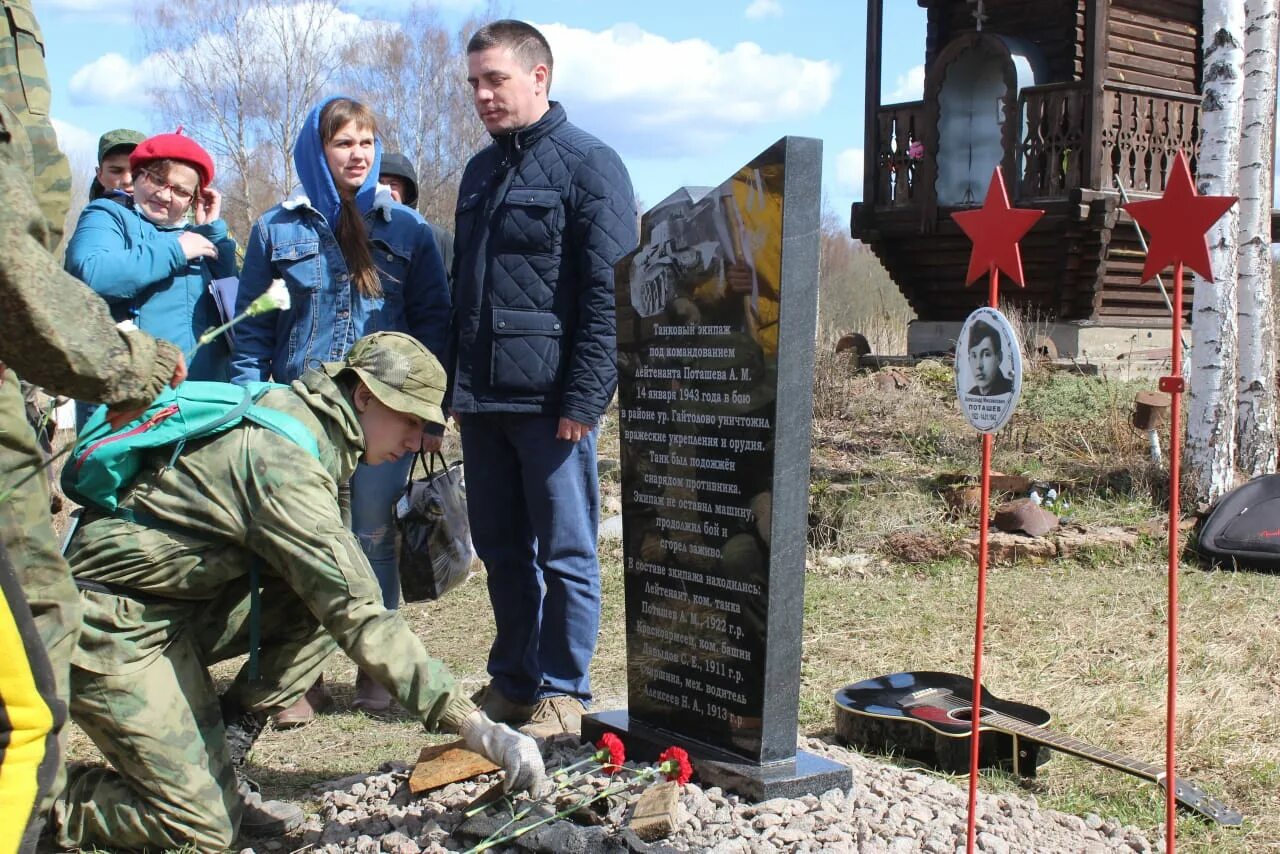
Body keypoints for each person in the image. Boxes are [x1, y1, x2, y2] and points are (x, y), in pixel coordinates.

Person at [51, 332, 545, 852]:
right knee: (200, 831)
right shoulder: (284, 462)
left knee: (315, 603)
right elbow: (358, 612)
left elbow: (342, 591)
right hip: (111, 623)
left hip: (177, 606)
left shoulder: (310, 428)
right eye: (410, 419)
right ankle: (41, 801)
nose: (419, 438)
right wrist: (474, 724)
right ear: (365, 397)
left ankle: (224, 759)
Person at [0, 2, 186, 845]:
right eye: (151, 178)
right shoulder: (110, 221)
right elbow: (54, 269)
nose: (165, 197)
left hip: (96, 383)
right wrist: (125, 363)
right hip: (92, 381)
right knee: (23, 706)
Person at [233, 97, 450, 721]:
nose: (356, 155)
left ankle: (378, 671)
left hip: (383, 415)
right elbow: (254, 329)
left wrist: (428, 415)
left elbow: (434, 326)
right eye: (341, 143)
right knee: (295, 544)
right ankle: (294, 679)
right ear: (315, 150)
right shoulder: (278, 228)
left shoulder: (407, 231)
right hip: (299, 418)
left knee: (372, 538)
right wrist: (252, 401)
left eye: (364, 143)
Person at [449, 20, 638, 738]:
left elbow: (609, 293)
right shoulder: (478, 172)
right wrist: (455, 393)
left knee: (565, 551)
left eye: (494, 79)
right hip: (484, 400)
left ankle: (565, 688)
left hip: (553, 404)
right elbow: (464, 290)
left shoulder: (591, 165)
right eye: (474, 83)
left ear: (539, 77)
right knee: (500, 551)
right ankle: (515, 680)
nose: (483, 95)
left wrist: (587, 397)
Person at [65, 130, 237, 384]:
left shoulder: (199, 239)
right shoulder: (106, 215)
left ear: (194, 200)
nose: (165, 195)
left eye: (180, 191)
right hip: (129, 397)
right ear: (137, 177)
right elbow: (91, 274)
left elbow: (234, 311)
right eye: (157, 180)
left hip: (203, 400)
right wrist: (175, 250)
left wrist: (212, 232)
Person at [378, 151, 454, 285]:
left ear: (406, 192)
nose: (386, 190)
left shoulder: (435, 237)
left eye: (393, 184)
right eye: (380, 183)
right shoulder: (360, 235)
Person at [87, 128, 144, 202]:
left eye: (137, 171)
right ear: (100, 175)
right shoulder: (98, 212)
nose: (127, 180)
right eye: (116, 171)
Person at [965, 318, 1014, 397]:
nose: (979, 365)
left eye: (986, 354)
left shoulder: (1009, 390)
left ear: (999, 358)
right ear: (969, 360)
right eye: (974, 356)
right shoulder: (971, 394)